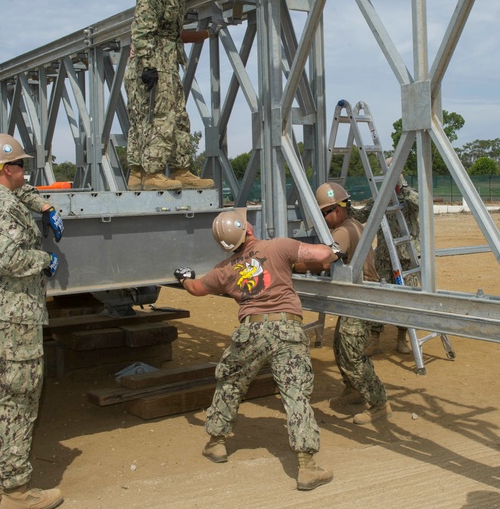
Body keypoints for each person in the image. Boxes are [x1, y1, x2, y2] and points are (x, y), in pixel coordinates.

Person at [172, 209, 336, 491]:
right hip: (288, 328)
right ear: (247, 229)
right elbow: (320, 256)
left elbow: (197, 288)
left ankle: (217, 444)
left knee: (230, 382)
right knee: (295, 393)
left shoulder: (224, 270)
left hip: (251, 331)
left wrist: (184, 278)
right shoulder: (278, 246)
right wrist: (333, 250)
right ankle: (307, 466)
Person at [0, 134, 66, 509]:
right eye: (21, 165)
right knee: (18, 401)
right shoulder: (0, 205)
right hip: (11, 317)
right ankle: (17, 493)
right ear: (8, 168)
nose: (26, 171)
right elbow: (10, 258)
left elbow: (18, 193)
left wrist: (43, 205)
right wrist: (44, 261)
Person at [125, 0, 236, 191]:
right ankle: (150, 174)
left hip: (166, 62)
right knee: (157, 117)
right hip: (151, 65)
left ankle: (178, 169)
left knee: (177, 117)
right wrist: (148, 66)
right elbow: (140, 32)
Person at [295, 182, 393, 425]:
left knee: (351, 352)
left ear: (337, 209)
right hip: (355, 296)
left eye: (324, 213)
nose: (323, 218)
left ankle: (379, 403)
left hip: (361, 297)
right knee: (340, 344)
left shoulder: (342, 231)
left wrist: (293, 263)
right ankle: (353, 390)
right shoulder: (353, 225)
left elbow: (326, 261)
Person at [351, 167, 418, 355]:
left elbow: (420, 203)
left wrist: (402, 188)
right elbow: (361, 216)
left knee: (406, 298)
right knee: (379, 296)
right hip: (384, 256)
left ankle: (402, 337)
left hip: (406, 257)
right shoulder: (378, 199)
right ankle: (374, 338)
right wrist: (344, 206)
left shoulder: (409, 197)